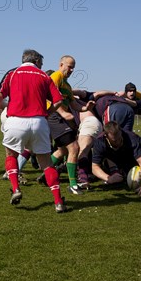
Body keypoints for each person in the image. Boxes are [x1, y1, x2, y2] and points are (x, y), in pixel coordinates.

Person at [0, 49, 68, 213]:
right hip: (39, 122)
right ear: (37, 61)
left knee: (11, 155)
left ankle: (16, 188)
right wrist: (46, 114)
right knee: (46, 163)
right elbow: (59, 100)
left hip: (15, 121)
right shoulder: (44, 76)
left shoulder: (12, 73)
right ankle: (58, 202)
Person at [47, 55, 95, 195]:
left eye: (73, 67)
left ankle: (46, 172)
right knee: (74, 147)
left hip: (60, 116)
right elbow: (49, 96)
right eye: (69, 66)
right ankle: (73, 185)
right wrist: (62, 112)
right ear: (61, 64)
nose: (72, 70)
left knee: (64, 150)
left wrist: (86, 107)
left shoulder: (67, 85)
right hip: (54, 116)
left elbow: (74, 104)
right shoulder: (56, 76)